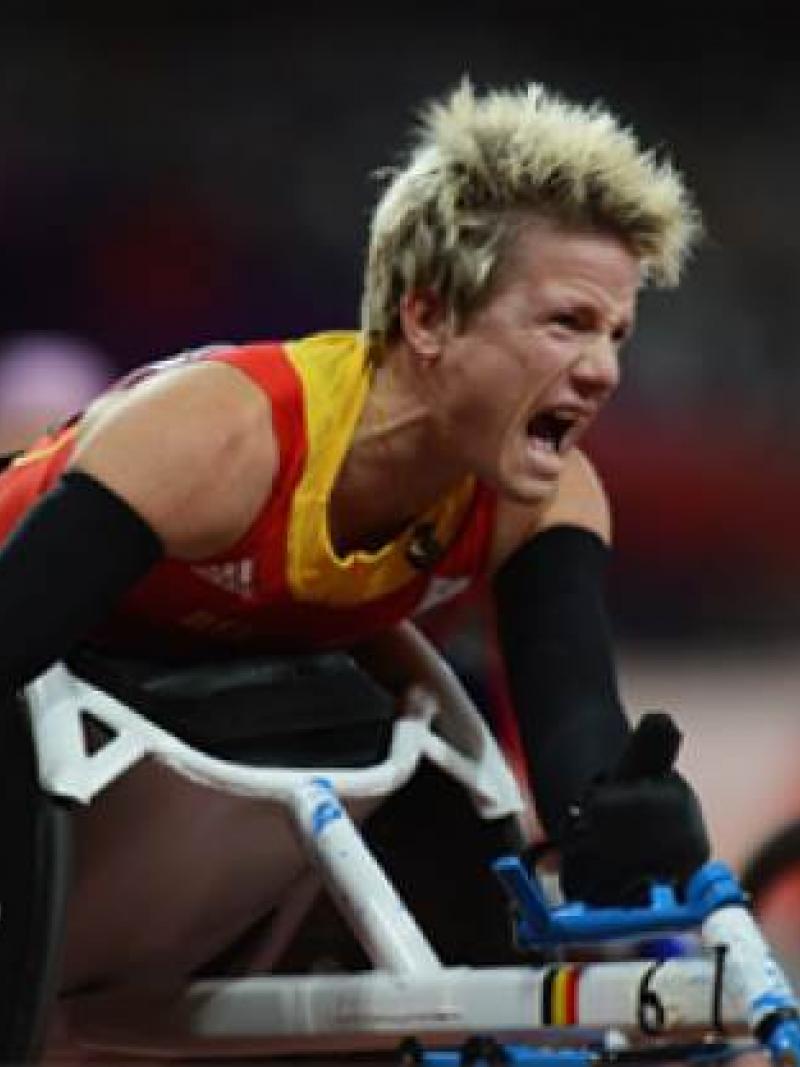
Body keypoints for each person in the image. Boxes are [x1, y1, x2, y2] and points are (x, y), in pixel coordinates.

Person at [0, 80, 709, 962]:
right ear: (428, 316)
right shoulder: (224, 436)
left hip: (223, 712)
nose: (604, 371)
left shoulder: (545, 494)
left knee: (444, 761)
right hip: (35, 661)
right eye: (569, 324)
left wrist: (623, 822)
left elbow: (579, 748)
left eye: (618, 334)